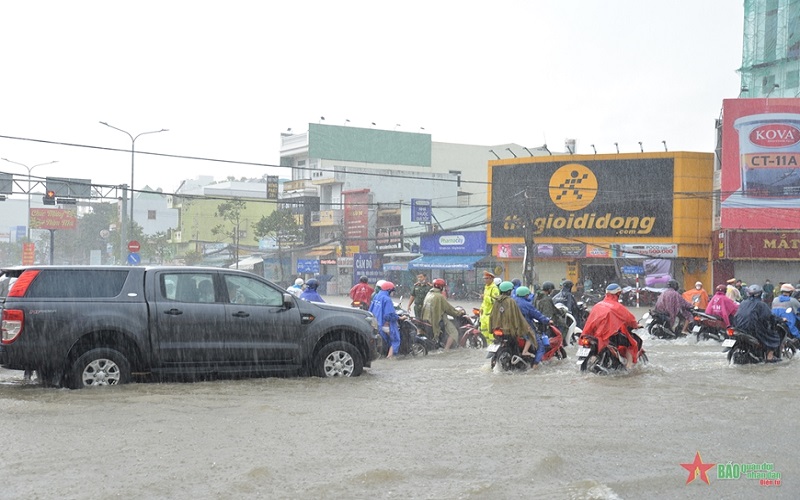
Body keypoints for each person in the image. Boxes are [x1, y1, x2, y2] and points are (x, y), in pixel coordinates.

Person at [581, 283, 641, 368]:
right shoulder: (617, 307)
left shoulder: (598, 305)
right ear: (618, 294)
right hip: (609, 336)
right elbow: (630, 319)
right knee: (631, 344)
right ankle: (629, 368)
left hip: (592, 335)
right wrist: (636, 325)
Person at [735, 284, 780, 362]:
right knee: (775, 338)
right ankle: (770, 357)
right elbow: (769, 316)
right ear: (760, 294)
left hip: (740, 329)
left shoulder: (743, 303)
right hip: (754, 330)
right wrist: (777, 320)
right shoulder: (761, 304)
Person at [489, 281, 535, 357]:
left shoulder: (496, 301)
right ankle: (522, 354)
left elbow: (492, 316)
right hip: (509, 331)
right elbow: (518, 316)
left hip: (497, 329)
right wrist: (525, 326)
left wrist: (491, 329)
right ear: (509, 291)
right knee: (528, 337)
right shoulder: (511, 301)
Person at [421, 278, 464, 349]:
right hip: (436, 320)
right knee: (454, 332)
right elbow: (449, 309)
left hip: (427, 319)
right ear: (441, 287)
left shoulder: (429, 294)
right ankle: (446, 350)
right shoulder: (439, 296)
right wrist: (459, 313)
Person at [514, 286, 552, 362]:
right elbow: (537, 314)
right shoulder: (526, 304)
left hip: (513, 328)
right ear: (526, 295)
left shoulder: (512, 301)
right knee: (541, 347)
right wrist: (547, 321)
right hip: (525, 327)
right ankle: (535, 366)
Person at [370, 281, 401, 358]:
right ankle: (389, 357)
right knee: (395, 340)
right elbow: (389, 315)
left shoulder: (376, 296)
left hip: (377, 324)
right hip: (385, 325)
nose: (393, 293)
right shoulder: (387, 299)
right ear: (389, 290)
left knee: (387, 341)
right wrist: (399, 317)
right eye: (392, 291)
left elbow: (370, 310)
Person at [479, 271, 501, 342]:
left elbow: (495, 300)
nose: (485, 280)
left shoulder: (494, 288)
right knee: (483, 332)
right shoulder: (486, 287)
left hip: (490, 315)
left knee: (491, 333)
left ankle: (491, 347)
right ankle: (485, 346)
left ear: (491, 279)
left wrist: (484, 297)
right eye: (484, 278)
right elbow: (484, 302)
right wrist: (481, 308)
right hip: (484, 315)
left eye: (486, 278)